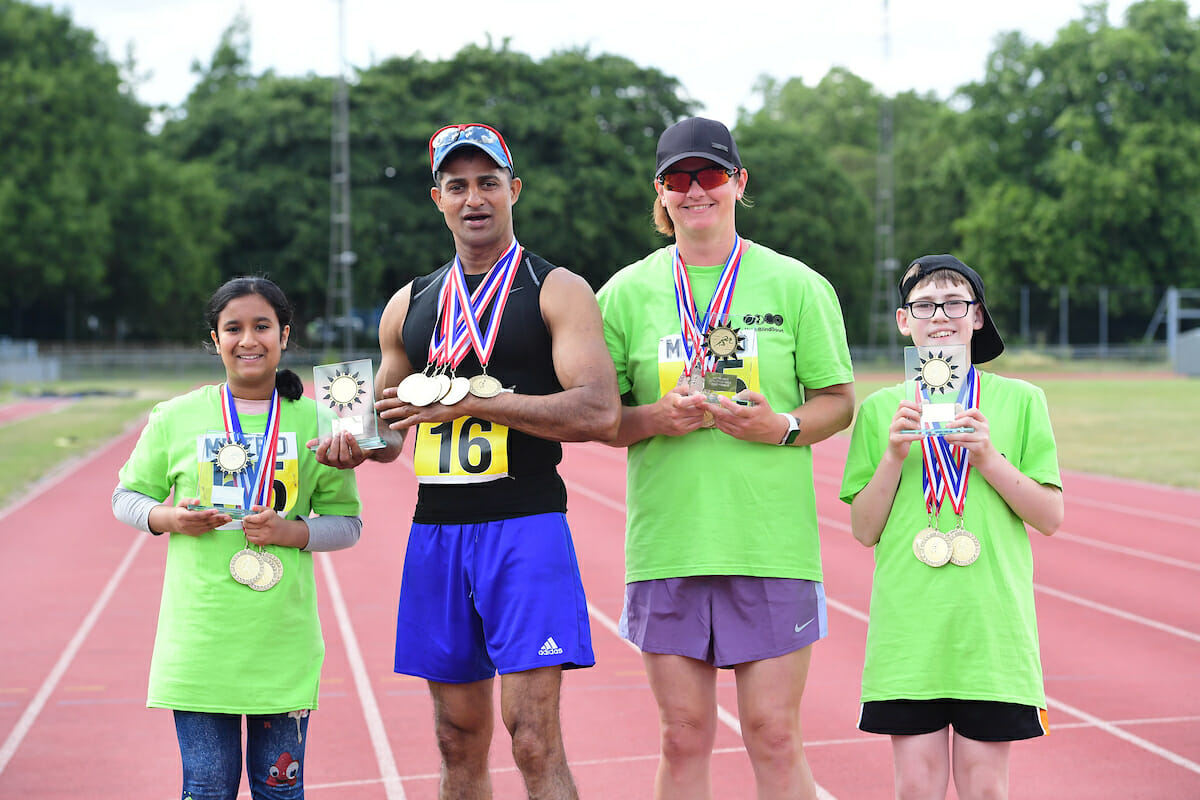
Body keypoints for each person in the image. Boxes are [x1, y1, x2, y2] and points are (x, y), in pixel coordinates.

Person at [315, 122, 620, 799]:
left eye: (488, 183)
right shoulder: (410, 304)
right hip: (438, 531)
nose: (474, 197)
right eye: (458, 185)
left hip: (526, 524)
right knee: (455, 738)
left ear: (513, 189)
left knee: (534, 739)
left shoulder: (556, 288)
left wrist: (476, 406)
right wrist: (351, 444)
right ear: (437, 198)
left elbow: (599, 411)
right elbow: (387, 434)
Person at [595, 116, 856, 799]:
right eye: (678, 180)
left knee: (773, 734)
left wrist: (785, 427)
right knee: (682, 736)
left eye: (709, 175)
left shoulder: (797, 285)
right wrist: (656, 417)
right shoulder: (623, 294)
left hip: (768, 542)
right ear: (661, 193)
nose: (695, 191)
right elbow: (600, 418)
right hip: (671, 544)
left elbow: (839, 400)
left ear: (739, 182)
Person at [111, 276, 363, 799]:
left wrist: (290, 531)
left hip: (281, 647)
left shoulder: (321, 419)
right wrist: (168, 519)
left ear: (285, 335)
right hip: (201, 644)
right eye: (234, 328)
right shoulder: (175, 417)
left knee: (279, 792)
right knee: (207, 790)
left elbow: (347, 523)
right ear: (215, 338)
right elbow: (125, 497)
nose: (248, 339)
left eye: (262, 326)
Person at [839, 254, 1064, 800]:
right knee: (915, 787)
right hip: (909, 632)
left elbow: (1049, 516)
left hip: (991, 631)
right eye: (924, 305)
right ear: (902, 320)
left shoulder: (1021, 401)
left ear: (978, 316)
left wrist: (988, 458)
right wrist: (893, 455)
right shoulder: (879, 411)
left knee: (986, 788)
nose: (940, 315)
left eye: (955, 302)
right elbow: (864, 529)